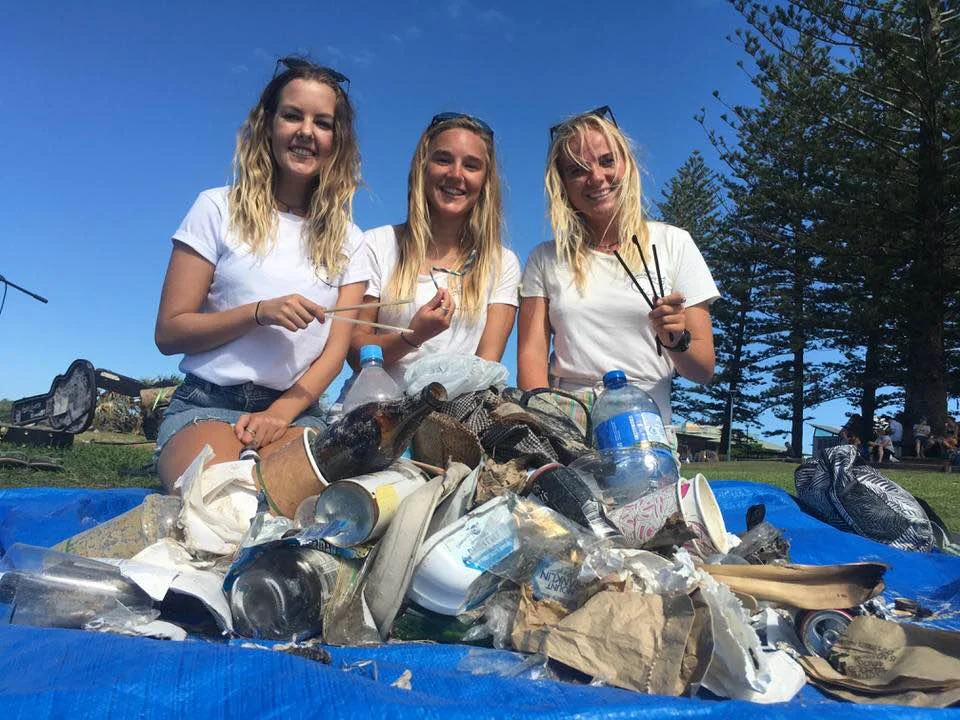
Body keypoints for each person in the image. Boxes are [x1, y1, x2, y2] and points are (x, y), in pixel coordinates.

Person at [154, 57, 368, 495]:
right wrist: (257, 313)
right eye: (292, 115)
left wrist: (283, 412)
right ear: (267, 125)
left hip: (296, 410)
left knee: (299, 512)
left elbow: (335, 351)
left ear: (336, 140)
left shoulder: (351, 239)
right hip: (208, 403)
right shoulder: (216, 208)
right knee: (221, 501)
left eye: (322, 123)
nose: (306, 131)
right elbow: (170, 332)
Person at [517, 106, 718, 426]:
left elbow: (703, 369)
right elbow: (531, 356)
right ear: (563, 185)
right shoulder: (543, 258)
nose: (596, 177)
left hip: (647, 424)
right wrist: (543, 432)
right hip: (566, 420)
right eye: (577, 169)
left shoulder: (675, 243)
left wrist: (676, 341)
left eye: (607, 160)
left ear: (627, 165)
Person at [345, 112, 519, 385]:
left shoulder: (502, 263)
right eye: (443, 159)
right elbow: (355, 352)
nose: (456, 174)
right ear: (423, 167)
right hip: (376, 408)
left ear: (485, 181)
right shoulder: (376, 243)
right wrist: (412, 336)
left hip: (456, 413)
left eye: (471, 166)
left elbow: (485, 367)